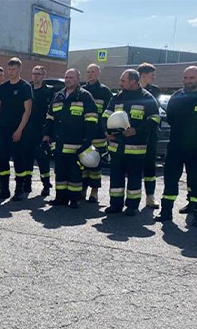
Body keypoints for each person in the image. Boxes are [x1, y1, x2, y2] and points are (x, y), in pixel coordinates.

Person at [155, 66, 197, 227]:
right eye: (185, 78)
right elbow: (170, 118)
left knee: (196, 181)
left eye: (192, 78)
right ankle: (166, 212)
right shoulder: (177, 96)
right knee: (170, 179)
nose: (188, 81)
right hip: (176, 146)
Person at [104, 69, 159, 217]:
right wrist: (107, 132)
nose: (120, 83)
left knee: (134, 179)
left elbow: (155, 119)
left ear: (133, 81)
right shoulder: (117, 97)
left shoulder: (147, 98)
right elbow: (106, 116)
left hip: (136, 148)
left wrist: (137, 130)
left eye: (123, 80)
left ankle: (132, 206)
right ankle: (115, 204)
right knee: (116, 177)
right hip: (116, 146)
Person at [43, 69, 98, 208]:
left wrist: (87, 140)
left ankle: (74, 199)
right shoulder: (58, 96)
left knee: (74, 173)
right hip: (59, 143)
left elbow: (91, 119)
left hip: (76, 145)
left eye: (71, 77)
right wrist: (46, 135)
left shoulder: (85, 96)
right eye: (66, 77)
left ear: (78, 79)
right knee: (60, 172)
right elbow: (50, 117)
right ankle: (60, 197)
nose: (68, 79)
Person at [0, 58, 33, 200]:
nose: (11, 72)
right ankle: (4, 189)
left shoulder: (25, 87)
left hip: (18, 130)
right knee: (2, 159)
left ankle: (19, 190)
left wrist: (19, 130)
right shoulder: (2, 88)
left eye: (14, 69)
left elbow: (27, 111)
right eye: (9, 69)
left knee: (19, 159)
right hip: (3, 129)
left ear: (20, 70)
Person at [81, 63, 112, 203]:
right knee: (82, 163)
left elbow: (109, 114)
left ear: (98, 73)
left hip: (99, 134)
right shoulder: (81, 90)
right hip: (83, 133)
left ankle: (94, 192)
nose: (90, 74)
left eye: (93, 72)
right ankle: (82, 189)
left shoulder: (105, 92)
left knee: (95, 165)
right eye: (88, 72)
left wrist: (107, 131)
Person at [26, 65, 54, 197]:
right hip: (27, 130)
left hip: (42, 130)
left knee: (43, 160)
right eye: (34, 73)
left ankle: (46, 185)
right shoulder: (27, 89)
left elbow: (52, 113)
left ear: (43, 76)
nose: (35, 76)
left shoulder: (49, 92)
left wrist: (48, 133)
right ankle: (27, 184)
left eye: (38, 74)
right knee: (26, 158)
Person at [137, 63, 161, 208]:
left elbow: (155, 111)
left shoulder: (155, 90)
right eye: (152, 75)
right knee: (134, 167)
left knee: (150, 166)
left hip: (150, 134)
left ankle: (150, 197)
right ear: (143, 75)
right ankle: (133, 198)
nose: (154, 77)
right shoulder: (132, 89)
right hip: (135, 134)